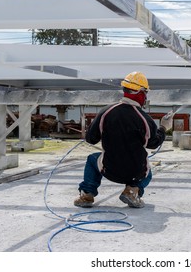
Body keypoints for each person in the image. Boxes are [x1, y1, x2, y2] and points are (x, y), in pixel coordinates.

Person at [74, 71, 173, 208]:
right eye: (145, 93)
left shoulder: (106, 112)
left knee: (92, 159)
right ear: (141, 92)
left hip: (109, 169)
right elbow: (154, 143)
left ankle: (87, 194)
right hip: (135, 173)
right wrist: (163, 127)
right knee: (148, 172)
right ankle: (132, 191)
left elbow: (91, 139)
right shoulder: (144, 118)